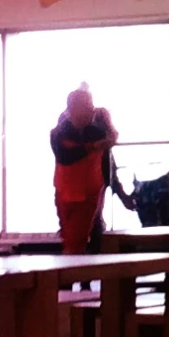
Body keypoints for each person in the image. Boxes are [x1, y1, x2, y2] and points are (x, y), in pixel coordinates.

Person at [50, 85, 128, 253]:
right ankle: (70, 275)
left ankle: (79, 275)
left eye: (90, 106)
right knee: (71, 238)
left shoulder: (98, 132)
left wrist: (119, 192)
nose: (90, 111)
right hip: (66, 192)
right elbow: (64, 156)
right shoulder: (59, 132)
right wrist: (93, 147)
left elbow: (108, 162)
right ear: (71, 110)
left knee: (85, 235)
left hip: (90, 193)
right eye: (85, 107)